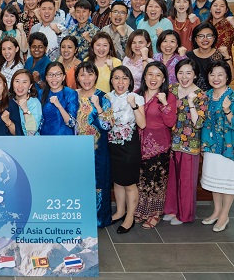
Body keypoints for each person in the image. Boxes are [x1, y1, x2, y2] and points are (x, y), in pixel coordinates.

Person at [200, 60, 234, 232]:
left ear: (227, 77)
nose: (216, 78)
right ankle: (216, 211)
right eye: (212, 74)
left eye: (220, 74)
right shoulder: (206, 95)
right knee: (215, 181)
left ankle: (224, 215)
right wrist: (204, 145)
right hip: (212, 146)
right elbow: (204, 123)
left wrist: (227, 111)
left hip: (230, 148)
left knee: (227, 182)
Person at [163, 59, 208, 226]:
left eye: (188, 73)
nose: (184, 77)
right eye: (180, 72)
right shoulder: (172, 89)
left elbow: (199, 123)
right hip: (171, 142)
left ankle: (185, 214)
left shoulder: (201, 95)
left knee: (186, 180)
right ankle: (172, 209)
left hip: (190, 144)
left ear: (195, 75)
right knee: (173, 179)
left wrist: (191, 103)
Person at [135, 62, 177, 229]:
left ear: (164, 79)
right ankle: (141, 211)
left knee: (156, 182)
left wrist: (165, 103)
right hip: (137, 145)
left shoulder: (168, 96)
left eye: (158, 75)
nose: (153, 78)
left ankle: (154, 214)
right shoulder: (136, 94)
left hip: (159, 146)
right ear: (144, 76)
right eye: (150, 74)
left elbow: (171, 122)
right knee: (141, 180)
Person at [74, 62, 114, 227]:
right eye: (82, 74)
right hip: (75, 150)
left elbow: (108, 125)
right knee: (78, 182)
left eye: (90, 74)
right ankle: (79, 216)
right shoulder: (72, 96)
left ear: (96, 76)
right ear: (77, 77)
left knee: (99, 182)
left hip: (97, 150)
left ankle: (98, 218)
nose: (86, 78)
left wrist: (97, 106)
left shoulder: (103, 97)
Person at [108, 66, 146, 234]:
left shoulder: (136, 97)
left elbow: (142, 124)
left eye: (124, 78)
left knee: (129, 183)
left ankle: (130, 217)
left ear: (130, 81)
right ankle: (120, 211)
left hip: (129, 146)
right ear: (111, 80)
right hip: (112, 145)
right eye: (116, 78)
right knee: (117, 181)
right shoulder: (107, 97)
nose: (120, 82)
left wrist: (134, 106)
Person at [186, 23, 232, 90]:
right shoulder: (188, 56)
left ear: (214, 38)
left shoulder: (220, 55)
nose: (205, 39)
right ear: (195, 39)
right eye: (201, 36)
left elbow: (231, 77)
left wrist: (227, 57)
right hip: (193, 94)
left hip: (215, 93)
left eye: (209, 36)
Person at [39, 62, 78, 135]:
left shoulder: (70, 94)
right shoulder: (41, 93)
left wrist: (59, 106)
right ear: (46, 77)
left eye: (58, 75)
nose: (54, 78)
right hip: (45, 137)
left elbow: (71, 123)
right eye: (50, 75)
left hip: (64, 137)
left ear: (63, 77)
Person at [9, 69, 42, 136]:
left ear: (30, 86)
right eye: (17, 81)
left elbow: (31, 133)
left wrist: (25, 110)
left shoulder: (34, 103)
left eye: (24, 82)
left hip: (29, 141)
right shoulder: (9, 101)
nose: (20, 85)